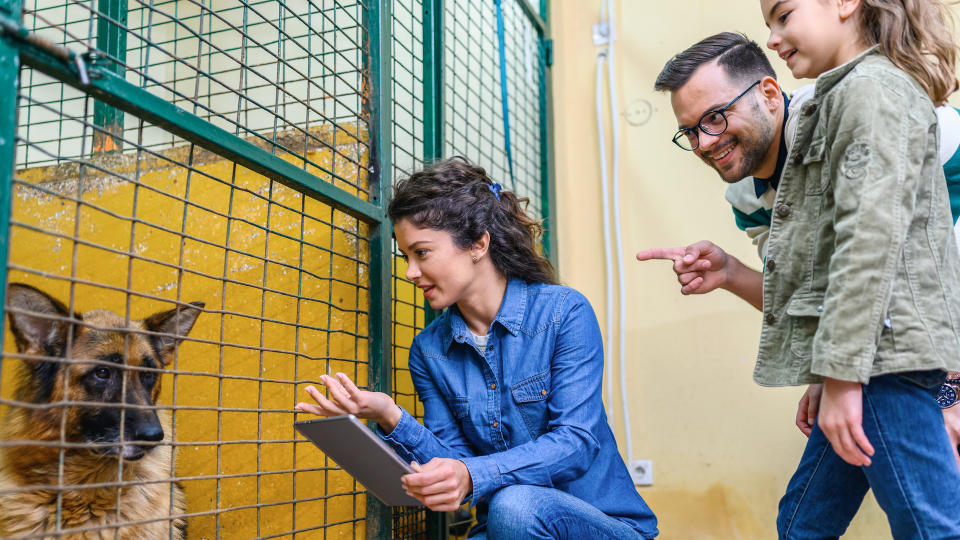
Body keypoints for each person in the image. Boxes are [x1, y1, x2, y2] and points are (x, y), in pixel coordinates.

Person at [653, 1, 960, 537]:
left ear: (771, 96)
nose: (703, 142)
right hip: (863, 350)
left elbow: (881, 244)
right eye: (690, 131)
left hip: (901, 349)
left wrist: (949, 388)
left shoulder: (863, 105)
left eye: (715, 117)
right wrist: (729, 274)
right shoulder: (747, 194)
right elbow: (811, 284)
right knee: (801, 523)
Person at [296, 157, 659, 539]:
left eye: (421, 253)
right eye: (405, 256)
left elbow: (576, 443)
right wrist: (389, 415)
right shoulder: (428, 351)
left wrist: (472, 475)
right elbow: (455, 462)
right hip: (504, 527)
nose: (410, 272)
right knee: (508, 512)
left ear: (478, 243)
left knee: (516, 506)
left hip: (603, 525)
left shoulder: (563, 312)